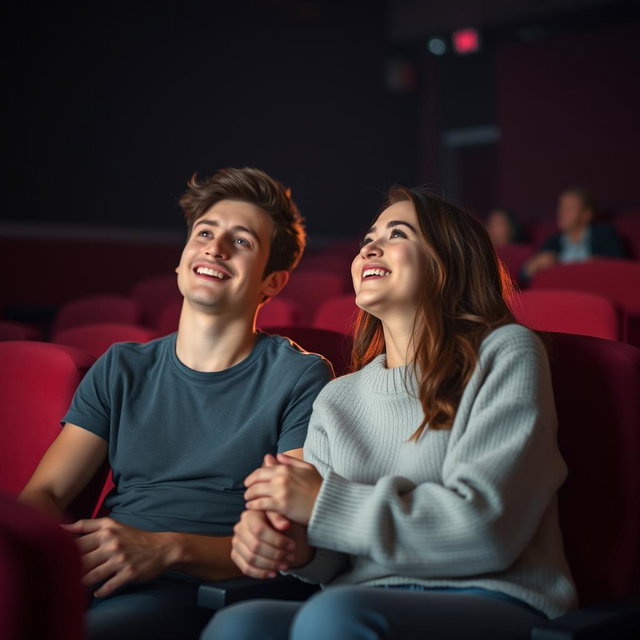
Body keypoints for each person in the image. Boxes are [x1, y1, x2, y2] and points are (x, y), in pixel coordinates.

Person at [203, 186, 578, 640]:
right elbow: (332, 560)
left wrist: (321, 502)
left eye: (396, 234)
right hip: (363, 598)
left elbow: (486, 530)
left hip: (494, 596)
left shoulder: (505, 352)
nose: (370, 248)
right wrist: (290, 544)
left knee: (334, 616)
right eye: (366, 240)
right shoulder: (338, 397)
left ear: (447, 261)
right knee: (238, 625)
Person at [19, 167, 333, 640]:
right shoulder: (121, 366)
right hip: (101, 568)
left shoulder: (301, 376)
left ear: (272, 282)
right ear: (183, 258)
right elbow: (45, 495)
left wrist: (165, 548)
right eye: (205, 233)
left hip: (196, 587)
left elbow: (281, 540)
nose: (215, 247)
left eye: (241, 241)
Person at [522, 187, 625, 279]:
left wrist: (598, 264)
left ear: (586, 214)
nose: (562, 212)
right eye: (561, 207)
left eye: (569, 208)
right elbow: (523, 276)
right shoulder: (553, 240)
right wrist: (532, 267)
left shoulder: (604, 235)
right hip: (560, 292)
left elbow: (623, 268)